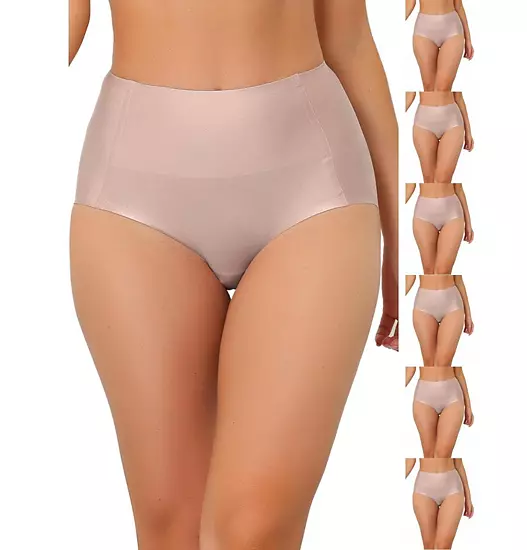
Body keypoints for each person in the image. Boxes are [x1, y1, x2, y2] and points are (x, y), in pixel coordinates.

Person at [68, 1, 398, 549]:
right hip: (134, 197)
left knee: (254, 530)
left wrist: (400, 241)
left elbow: (350, 41)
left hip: (312, 181)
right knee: (172, 529)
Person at [407, 91, 474, 183]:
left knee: (443, 180)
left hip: (452, 121)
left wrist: (468, 132)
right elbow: (411, 94)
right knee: (429, 180)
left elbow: (458, 97)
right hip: (424, 122)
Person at [407, 458, 474, 549]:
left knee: (443, 546)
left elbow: (458, 463)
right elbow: (410, 460)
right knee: (429, 546)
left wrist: (468, 497)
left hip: (452, 487)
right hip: (424, 489)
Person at [406, 0, 474, 91]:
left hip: (452, 29)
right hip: (424, 31)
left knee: (443, 88)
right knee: (429, 87)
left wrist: (468, 39)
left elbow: (458, 6)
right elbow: (410, 3)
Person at [406, 274, 474, 366]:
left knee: (444, 362)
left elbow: (458, 280)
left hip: (452, 304)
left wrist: (468, 315)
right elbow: (410, 277)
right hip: (423, 306)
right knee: (429, 363)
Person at [406, 183, 473, 274]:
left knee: (443, 271)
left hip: (452, 212)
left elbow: (459, 188)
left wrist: (468, 223)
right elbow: (410, 186)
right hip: (424, 213)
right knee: (429, 271)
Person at [406, 367, 474, 457]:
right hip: (424, 397)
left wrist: (468, 406)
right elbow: (410, 369)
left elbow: (458, 372)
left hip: (452, 396)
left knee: (443, 454)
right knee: (429, 455)